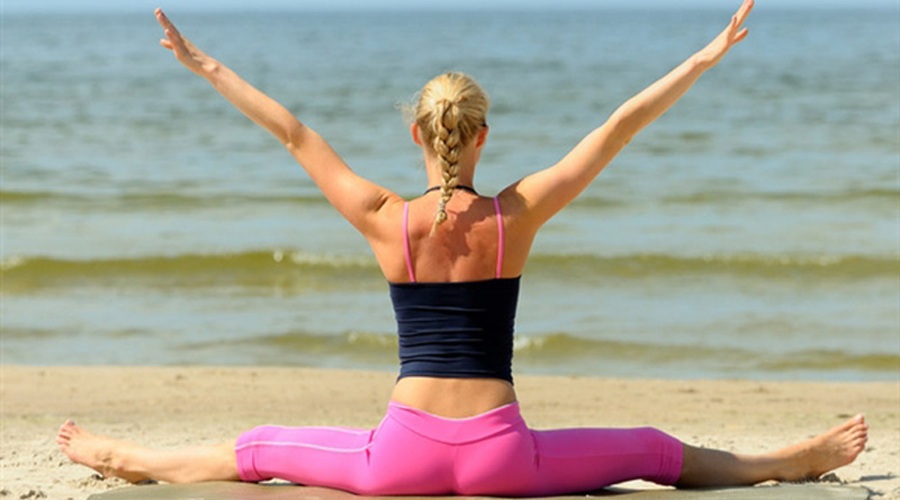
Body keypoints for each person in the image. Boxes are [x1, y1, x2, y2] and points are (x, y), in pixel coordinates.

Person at [57, 0, 869, 495]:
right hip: (504, 459)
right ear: (482, 135)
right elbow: (616, 129)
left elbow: (294, 133)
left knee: (263, 447)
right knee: (656, 451)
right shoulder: (517, 214)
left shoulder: (383, 216)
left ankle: (130, 458)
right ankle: (782, 464)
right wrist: (703, 56)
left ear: (416, 132)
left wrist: (203, 64)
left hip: (397, 459)